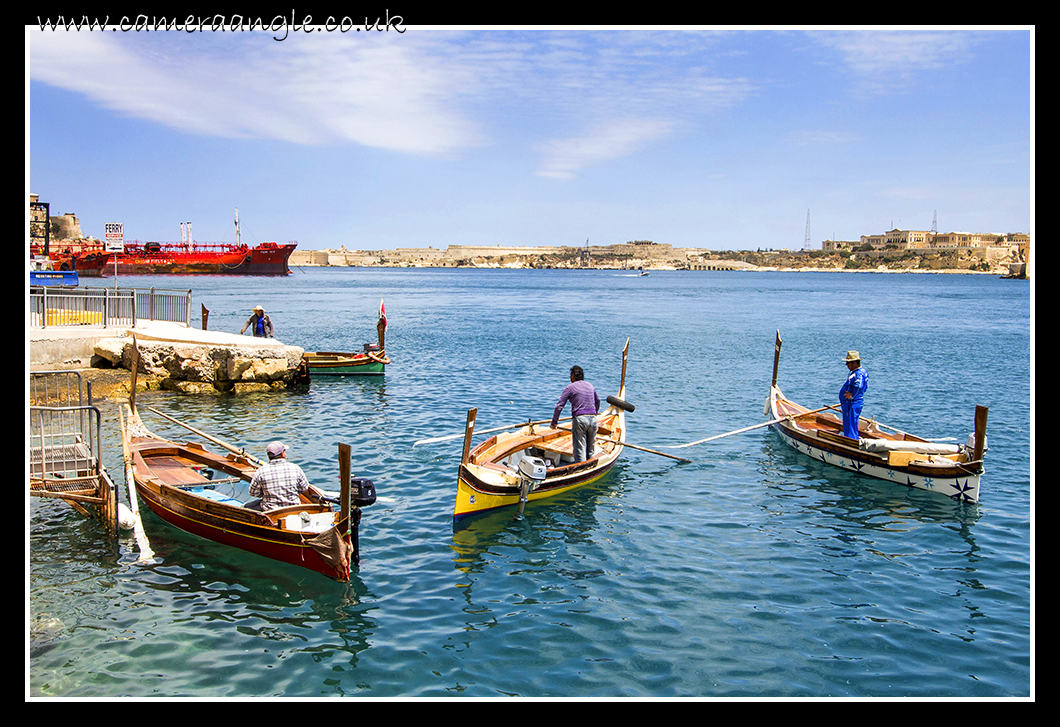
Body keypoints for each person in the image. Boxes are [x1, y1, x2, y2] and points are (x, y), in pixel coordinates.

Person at [550, 365, 601, 462]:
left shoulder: (570, 387)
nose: (570, 377)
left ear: (573, 376)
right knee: (590, 449)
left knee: (579, 450)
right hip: (593, 419)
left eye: (570, 375)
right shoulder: (590, 386)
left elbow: (559, 406)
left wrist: (554, 421)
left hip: (580, 419)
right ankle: (590, 468)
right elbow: (598, 400)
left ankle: (581, 469)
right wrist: (595, 412)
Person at [247, 441, 310, 511]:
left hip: (271, 511)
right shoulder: (295, 468)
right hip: (294, 509)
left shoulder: (261, 471)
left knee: (245, 507)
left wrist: (266, 493)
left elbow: (253, 492)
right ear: (283, 454)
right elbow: (304, 488)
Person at [839, 350, 869, 440]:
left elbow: (859, 386)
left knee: (850, 425)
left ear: (854, 363)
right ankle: (852, 438)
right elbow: (866, 387)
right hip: (853, 403)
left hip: (851, 404)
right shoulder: (863, 371)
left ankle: (850, 441)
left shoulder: (858, 374)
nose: (846, 365)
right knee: (852, 423)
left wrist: (852, 396)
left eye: (848, 363)